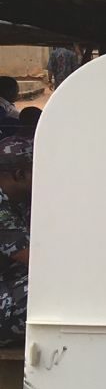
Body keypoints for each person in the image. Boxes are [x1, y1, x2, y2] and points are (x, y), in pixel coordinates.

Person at [0, 137, 32, 347]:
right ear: (19, 174)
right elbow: (34, 257)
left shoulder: (17, 200)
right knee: (62, 286)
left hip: (9, 282)